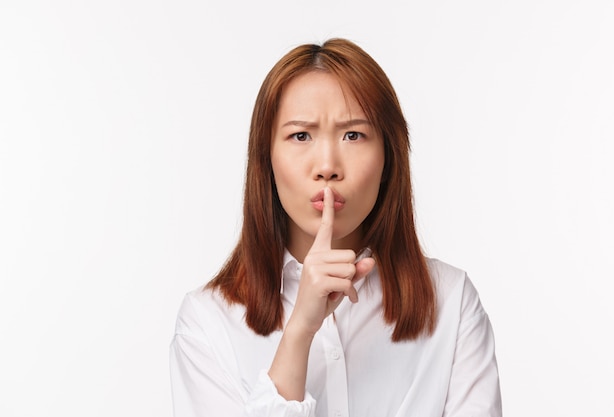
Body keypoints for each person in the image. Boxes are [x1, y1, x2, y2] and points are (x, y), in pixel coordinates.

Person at [170, 38, 502, 417]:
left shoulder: (451, 302)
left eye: (353, 135)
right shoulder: (207, 322)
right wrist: (299, 333)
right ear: (266, 159)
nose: (327, 165)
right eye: (301, 136)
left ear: (388, 159)